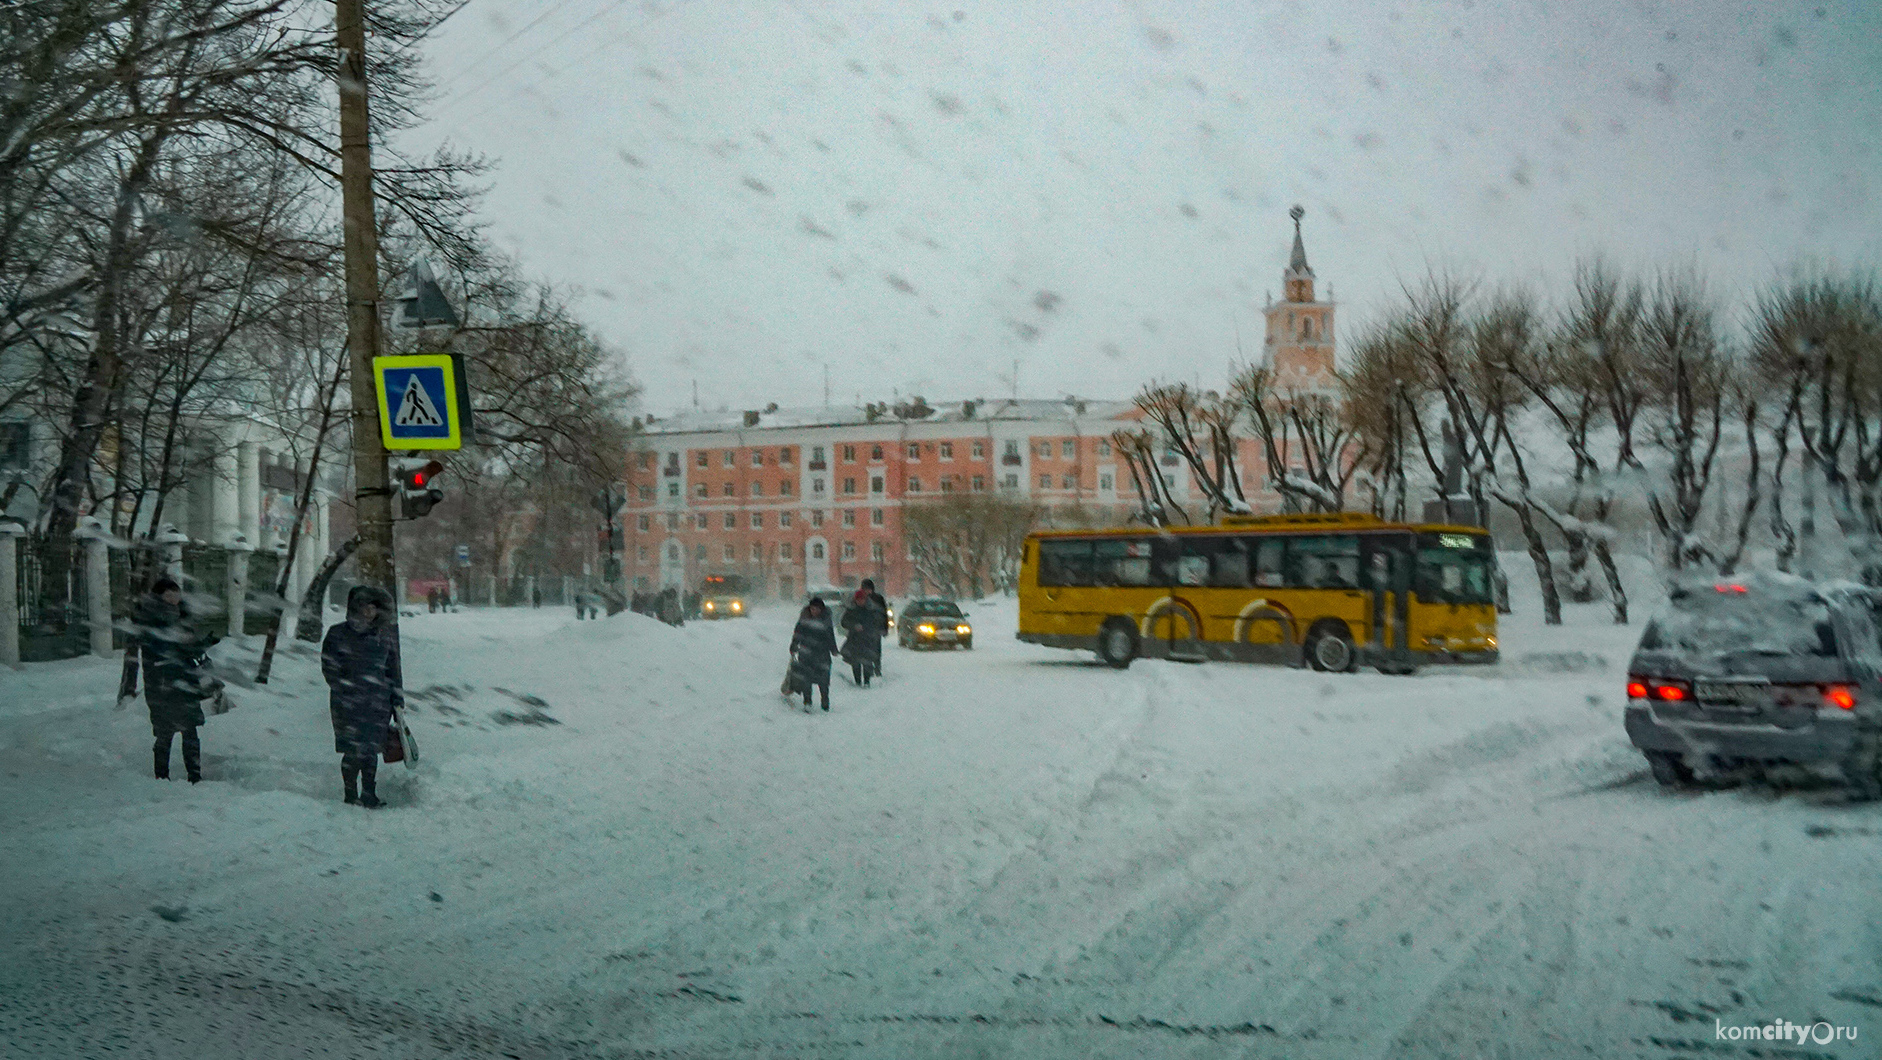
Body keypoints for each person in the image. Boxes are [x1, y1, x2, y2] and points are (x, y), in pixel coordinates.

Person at [121, 577, 217, 783]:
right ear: (160, 596)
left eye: (177, 593)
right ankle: (161, 777)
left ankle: (195, 777)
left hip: (184, 681)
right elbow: (165, 649)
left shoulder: (181, 616)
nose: (175, 597)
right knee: (166, 733)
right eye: (170, 593)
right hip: (163, 684)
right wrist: (193, 646)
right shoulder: (151, 619)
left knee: (189, 731)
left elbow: (183, 647)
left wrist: (201, 644)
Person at [321, 585, 403, 808]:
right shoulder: (337, 634)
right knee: (352, 750)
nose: (369, 611)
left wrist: (397, 700)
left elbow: (393, 670)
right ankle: (350, 793)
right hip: (347, 702)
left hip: (377, 702)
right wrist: (345, 688)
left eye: (373, 607)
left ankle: (369, 793)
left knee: (370, 750)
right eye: (365, 606)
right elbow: (329, 667)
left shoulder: (384, 636)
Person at [789, 597, 838, 712]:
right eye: (812, 608)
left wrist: (833, 649)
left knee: (824, 680)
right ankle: (807, 702)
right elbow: (798, 634)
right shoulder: (804, 620)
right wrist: (794, 645)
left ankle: (825, 700)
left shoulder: (826, 621)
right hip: (806, 653)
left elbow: (830, 636)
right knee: (806, 679)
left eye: (816, 609)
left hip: (822, 654)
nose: (814, 611)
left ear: (821, 609)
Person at [840, 579, 888, 687]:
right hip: (855, 639)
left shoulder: (873, 606)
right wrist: (854, 626)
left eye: (862, 599)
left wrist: (879, 629)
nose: (860, 601)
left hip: (868, 638)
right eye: (858, 599)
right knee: (856, 661)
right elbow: (844, 622)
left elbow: (880, 618)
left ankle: (868, 680)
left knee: (868, 660)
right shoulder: (851, 609)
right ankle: (857, 680)